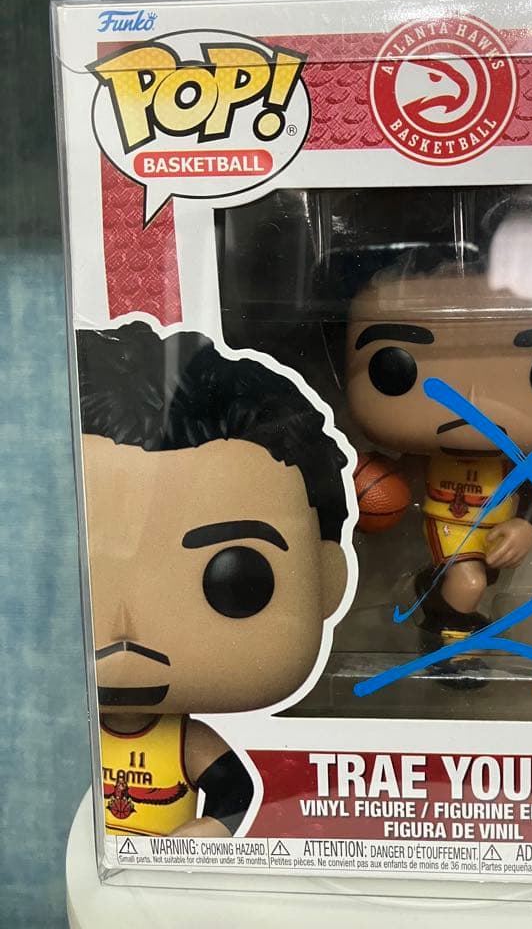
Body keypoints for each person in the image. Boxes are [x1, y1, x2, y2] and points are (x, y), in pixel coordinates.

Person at [78, 321, 351, 837]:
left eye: (235, 581)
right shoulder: (64, 735)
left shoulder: (185, 742)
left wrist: (210, 833)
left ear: (326, 579)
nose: (124, 632)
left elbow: (235, 792)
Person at [346, 260, 532, 647]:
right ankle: (448, 646)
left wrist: (525, 526)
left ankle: (436, 595)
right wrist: (364, 489)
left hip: (492, 530)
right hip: (448, 525)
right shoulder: (434, 455)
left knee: (477, 580)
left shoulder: (509, 458)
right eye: (396, 369)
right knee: (470, 583)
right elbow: (400, 474)